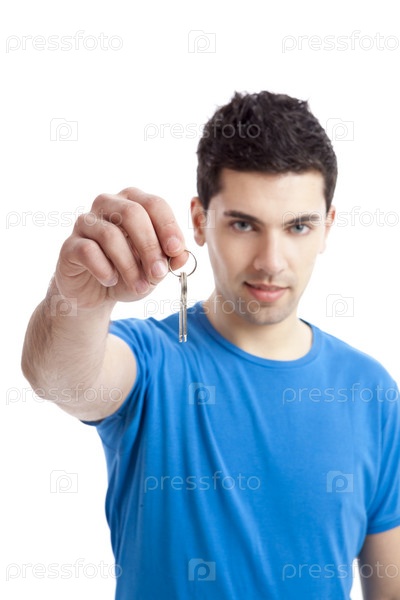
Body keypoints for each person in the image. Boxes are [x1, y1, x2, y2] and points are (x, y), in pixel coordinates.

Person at [21, 91, 400, 600]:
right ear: (199, 222)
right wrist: (76, 302)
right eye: (243, 224)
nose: (271, 261)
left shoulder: (370, 391)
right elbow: (58, 377)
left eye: (298, 226)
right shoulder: (150, 361)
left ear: (327, 227)